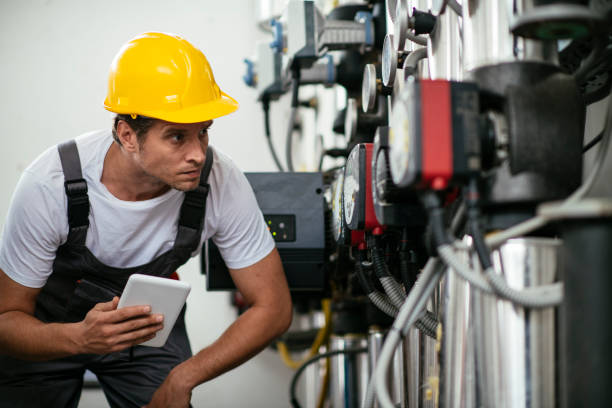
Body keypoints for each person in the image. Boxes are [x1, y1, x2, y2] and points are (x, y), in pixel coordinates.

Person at [0, 32, 292, 408]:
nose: (198, 155)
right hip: (45, 334)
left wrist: (182, 378)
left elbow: (274, 308)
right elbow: (6, 320)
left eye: (203, 133)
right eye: (176, 137)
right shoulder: (51, 184)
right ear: (127, 135)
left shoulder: (219, 180)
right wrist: (79, 338)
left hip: (146, 332)